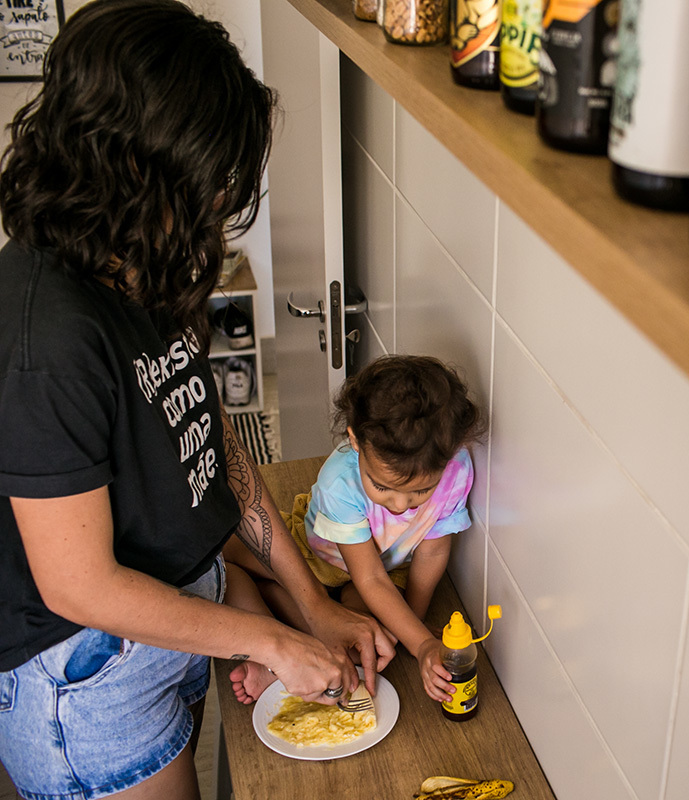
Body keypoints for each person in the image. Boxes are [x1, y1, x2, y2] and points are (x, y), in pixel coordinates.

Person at [0, 2, 395, 799]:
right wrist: (270, 642)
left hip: (176, 622)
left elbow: (208, 436)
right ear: (135, 166)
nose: (218, 202)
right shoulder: (47, 340)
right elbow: (78, 585)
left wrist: (310, 606)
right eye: (205, 182)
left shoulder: (138, 259)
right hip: (87, 681)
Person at [223, 355, 486, 707]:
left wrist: (413, 628)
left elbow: (433, 551)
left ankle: (291, 638)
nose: (399, 504)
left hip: (384, 570)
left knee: (369, 645)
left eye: (421, 491)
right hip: (317, 554)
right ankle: (270, 657)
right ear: (356, 441)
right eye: (382, 487)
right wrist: (421, 642)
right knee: (223, 559)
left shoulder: (454, 469)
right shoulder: (340, 482)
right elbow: (369, 577)